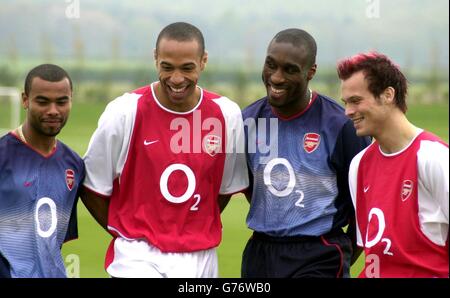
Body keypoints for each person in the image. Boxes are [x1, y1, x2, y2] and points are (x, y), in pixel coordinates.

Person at [80, 22, 248, 278]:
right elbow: (92, 187)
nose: (177, 78)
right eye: (167, 67)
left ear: (203, 61)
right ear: (155, 59)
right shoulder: (124, 111)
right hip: (137, 257)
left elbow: (222, 191)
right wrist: (130, 235)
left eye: (187, 68)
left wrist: (190, 226)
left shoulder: (227, 114)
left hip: (201, 257)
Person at [240, 28, 371, 278]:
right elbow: (250, 188)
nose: (276, 78)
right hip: (260, 253)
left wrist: (342, 254)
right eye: (271, 65)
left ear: (310, 72)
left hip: (319, 252)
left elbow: (362, 203)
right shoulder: (247, 121)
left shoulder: (340, 125)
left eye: (289, 70)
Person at [338, 52, 449, 278]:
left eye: (356, 101)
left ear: (388, 95)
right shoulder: (359, 166)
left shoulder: (433, 158)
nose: (348, 111)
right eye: (346, 103)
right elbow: (374, 254)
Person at [0, 64, 84, 278]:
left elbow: (54, 240)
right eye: (43, 101)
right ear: (25, 100)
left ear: (71, 100)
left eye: (62, 101)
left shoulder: (74, 165)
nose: (53, 110)